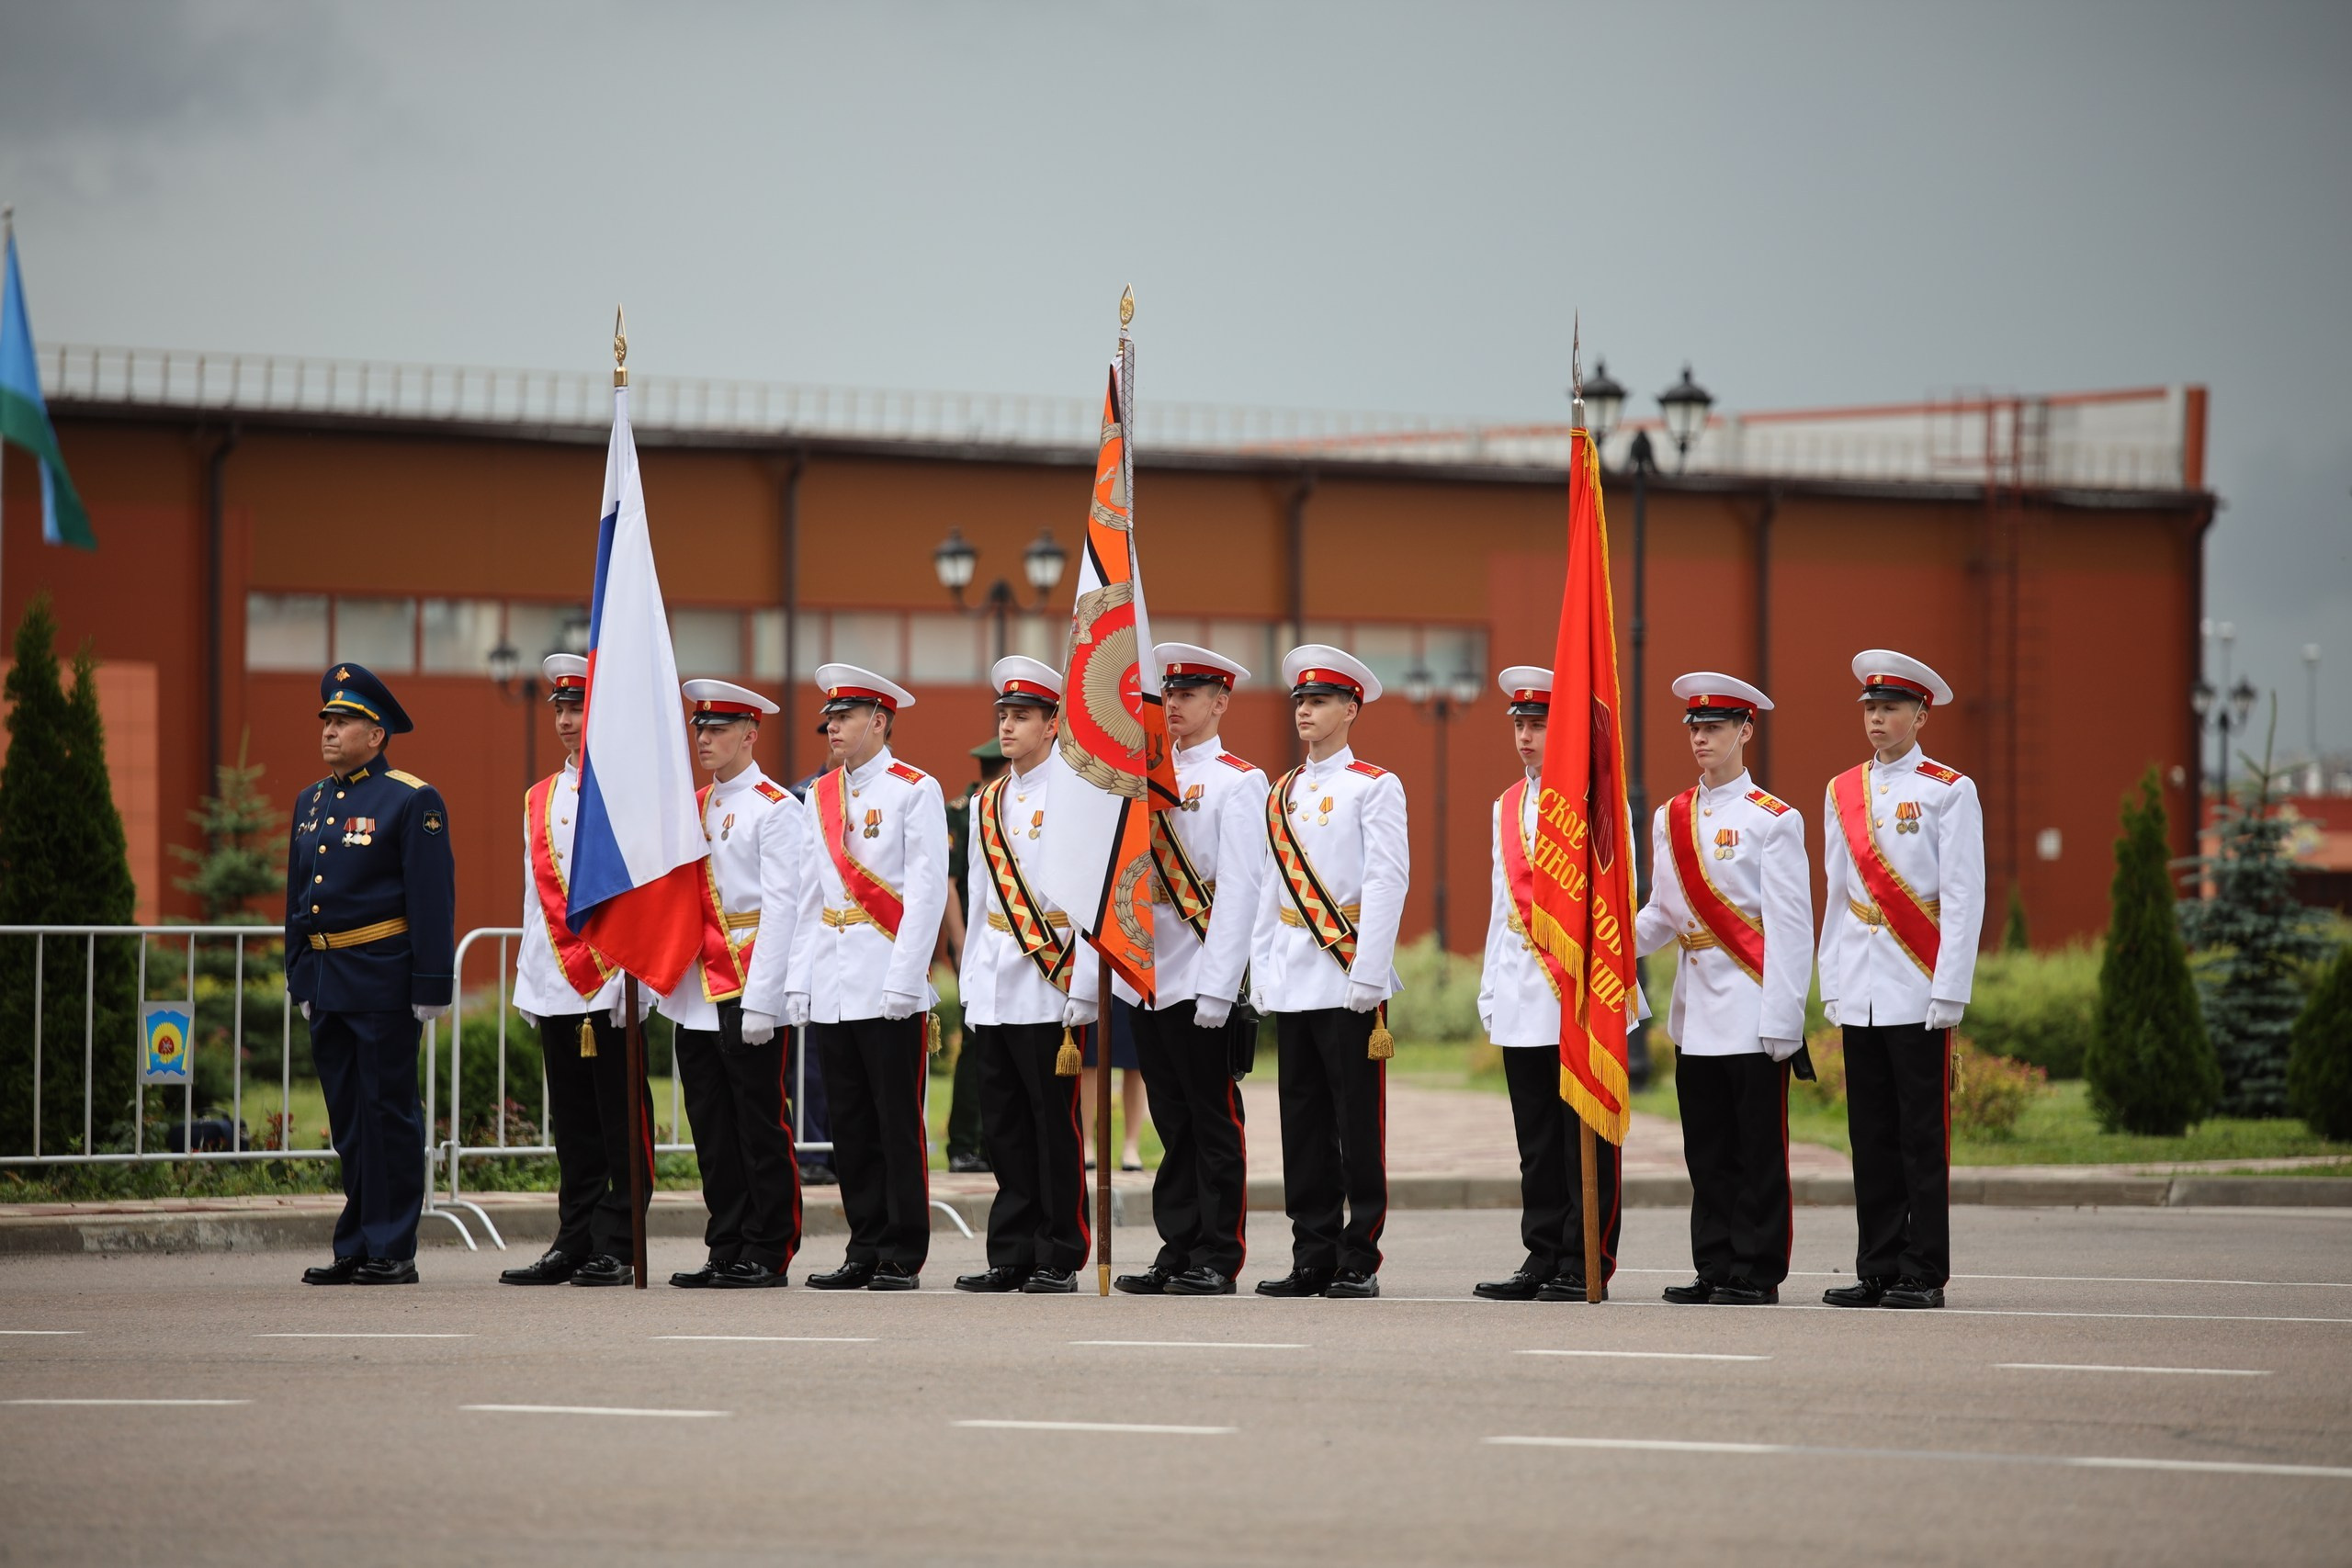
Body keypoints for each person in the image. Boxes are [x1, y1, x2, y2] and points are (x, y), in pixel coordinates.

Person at [1634, 672, 1814, 1307]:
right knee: (1707, 1150)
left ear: (1746, 730)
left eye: (1714, 727)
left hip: (1751, 1001)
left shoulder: (1774, 819)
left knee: (1756, 1149)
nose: (1702, 737)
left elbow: (1792, 927)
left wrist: (1784, 1018)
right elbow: (1662, 913)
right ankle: (1713, 1265)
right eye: (1695, 727)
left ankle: (1756, 1268)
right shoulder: (1672, 816)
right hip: (1696, 1008)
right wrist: (1610, 942)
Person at [1817, 650, 1984, 1311]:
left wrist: (1951, 988)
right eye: (1870, 707)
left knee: (1921, 1136)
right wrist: (1831, 979)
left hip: (1918, 985)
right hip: (1861, 986)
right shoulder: (1842, 792)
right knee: (1871, 1135)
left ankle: (1923, 1269)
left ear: (1921, 713)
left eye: (1890, 707)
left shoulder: (1948, 788)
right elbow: (1836, 894)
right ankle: (1878, 1264)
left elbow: (1964, 895)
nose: (1877, 717)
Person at [286, 663, 455, 1287]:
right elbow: (297, 900)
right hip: (328, 979)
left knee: (389, 1115)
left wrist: (432, 984)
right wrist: (299, 976)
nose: (330, 730)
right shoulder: (313, 801)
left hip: (383, 979)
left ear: (376, 733)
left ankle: (393, 1246)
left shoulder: (411, 798)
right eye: (327, 719)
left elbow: (431, 898)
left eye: (344, 720)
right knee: (351, 1120)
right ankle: (356, 1241)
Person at [786, 663, 951, 1292]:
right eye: (830, 715)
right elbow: (808, 893)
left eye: (846, 715)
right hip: (832, 976)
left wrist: (905, 980)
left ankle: (901, 1250)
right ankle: (863, 1243)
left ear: (879, 720)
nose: (832, 725)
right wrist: (799, 978)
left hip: (888, 977)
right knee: (849, 1121)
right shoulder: (820, 795)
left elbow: (927, 891)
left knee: (894, 1121)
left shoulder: (915, 789)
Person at [1251, 645, 1408, 1300]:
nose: (1305, 711)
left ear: (1351, 708)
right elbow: (1269, 888)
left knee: (1356, 1125)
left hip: (1347, 976)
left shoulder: (1373, 785)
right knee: (1304, 1124)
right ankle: (1311, 1251)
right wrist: (1260, 971)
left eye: (1318, 701)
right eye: (1300, 701)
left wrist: (1368, 974)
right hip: (1294, 974)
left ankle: (1358, 1256)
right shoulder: (1282, 790)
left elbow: (1387, 878)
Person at [1111, 643, 1268, 1298]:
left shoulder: (1238, 780)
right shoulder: (1140, 774)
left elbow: (1240, 888)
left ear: (1220, 703)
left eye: (1189, 695)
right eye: (1168, 694)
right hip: (1149, 969)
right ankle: (1177, 1246)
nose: (1173, 704)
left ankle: (1218, 1254)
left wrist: (1220, 982)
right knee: (1170, 1123)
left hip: (1201, 970)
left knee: (1212, 1119)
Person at [502, 655, 654, 1288]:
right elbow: (534, 899)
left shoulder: (629, 789)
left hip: (612, 977)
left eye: (578, 708)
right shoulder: (540, 796)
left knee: (621, 1120)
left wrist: (636, 975)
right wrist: (528, 978)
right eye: (560, 709)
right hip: (559, 979)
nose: (566, 720)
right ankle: (575, 1234)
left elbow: (644, 890)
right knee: (573, 1120)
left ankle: (618, 1238)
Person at [1474, 665, 1623, 1303]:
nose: (1528, 737)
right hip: (1519, 989)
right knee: (1534, 1138)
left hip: (1576, 991)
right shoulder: (1506, 804)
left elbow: (1618, 897)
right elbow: (1497, 903)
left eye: (1540, 725)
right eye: (1521, 725)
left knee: (1578, 1133)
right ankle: (1541, 1252)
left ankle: (1583, 1255)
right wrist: (1488, 986)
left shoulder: (1594, 801)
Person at [954, 658, 1102, 1293]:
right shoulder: (986, 800)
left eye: (1021, 716)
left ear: (1052, 725)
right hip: (996, 980)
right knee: (1004, 1126)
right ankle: (1011, 1248)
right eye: (1003, 715)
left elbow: (1093, 898)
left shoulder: (1079, 792)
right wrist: (967, 981)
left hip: (1052, 976)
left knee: (1052, 1126)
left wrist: (1085, 984)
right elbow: (979, 891)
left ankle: (1059, 1249)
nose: (1008, 726)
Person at [658, 679, 810, 1290]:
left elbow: (783, 908)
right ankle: (726, 1241)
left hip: (746, 982)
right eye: (700, 727)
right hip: (697, 987)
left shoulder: (775, 808)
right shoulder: (692, 807)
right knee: (712, 1128)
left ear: (750, 734)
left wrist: (764, 999)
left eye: (718, 728)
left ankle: (768, 1246)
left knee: (758, 1123)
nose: (704, 738)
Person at [941, 736, 1009, 1174]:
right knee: (976, 1046)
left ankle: (989, 1142)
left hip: (1002, 939)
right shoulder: (965, 813)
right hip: (977, 938)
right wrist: (963, 942)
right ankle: (965, 1142)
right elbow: (950, 883)